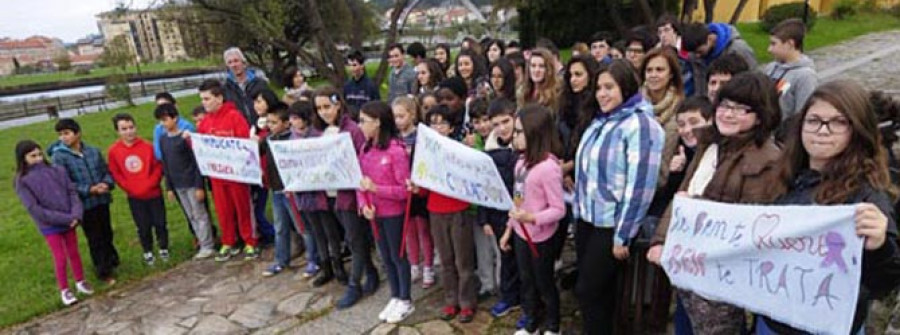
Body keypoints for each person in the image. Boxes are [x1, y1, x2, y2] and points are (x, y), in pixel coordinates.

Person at [755, 80, 900, 335]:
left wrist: (880, 246)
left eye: (838, 122)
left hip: (827, 327)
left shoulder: (868, 195)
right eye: (813, 121)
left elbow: (884, 283)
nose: (822, 130)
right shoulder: (784, 175)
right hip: (772, 321)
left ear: (857, 129)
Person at [648, 72, 787, 334]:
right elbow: (683, 193)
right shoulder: (710, 144)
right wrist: (660, 239)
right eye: (724, 105)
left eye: (740, 109)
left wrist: (696, 205)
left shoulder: (768, 159)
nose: (728, 114)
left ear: (761, 114)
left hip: (724, 273)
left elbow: (752, 222)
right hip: (690, 262)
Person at [573, 60, 665, 335]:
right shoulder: (601, 121)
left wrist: (623, 234)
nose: (602, 94)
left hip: (612, 225)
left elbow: (640, 187)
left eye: (609, 87)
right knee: (602, 293)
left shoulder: (641, 125)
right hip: (587, 219)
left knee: (587, 290)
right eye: (599, 87)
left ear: (625, 87)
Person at [644, 96, 713, 335]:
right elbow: (673, 196)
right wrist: (675, 172)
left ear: (710, 120)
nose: (686, 130)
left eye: (694, 122)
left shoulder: (713, 156)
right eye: (681, 124)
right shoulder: (685, 153)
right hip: (683, 244)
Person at [500, 104, 566, 335]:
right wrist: (510, 229)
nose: (514, 137)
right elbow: (517, 200)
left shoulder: (548, 168)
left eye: (519, 132)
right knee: (526, 280)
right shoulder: (520, 164)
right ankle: (531, 320)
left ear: (534, 133)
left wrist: (532, 217)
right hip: (521, 235)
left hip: (541, 238)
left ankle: (553, 325)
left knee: (544, 282)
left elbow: (558, 209)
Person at [411, 105, 478, 323]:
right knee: (446, 260)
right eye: (433, 123)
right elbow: (422, 186)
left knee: (463, 261)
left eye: (443, 123)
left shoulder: (460, 150)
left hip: (459, 210)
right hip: (435, 210)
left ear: (451, 128)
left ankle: (467, 302)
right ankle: (451, 301)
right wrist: (415, 188)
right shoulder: (426, 154)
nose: (438, 127)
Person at [313, 86, 378, 308]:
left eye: (327, 107)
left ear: (337, 104)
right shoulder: (319, 131)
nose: (323, 112)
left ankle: (354, 285)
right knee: (351, 237)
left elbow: (363, 159)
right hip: (330, 194)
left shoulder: (351, 130)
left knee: (355, 239)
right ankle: (371, 273)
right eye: (319, 108)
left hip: (350, 195)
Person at [356, 101, 416, 323]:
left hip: (393, 213)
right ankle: (395, 294)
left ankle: (406, 298)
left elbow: (404, 190)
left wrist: (377, 189)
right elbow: (360, 182)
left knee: (398, 255)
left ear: (378, 122)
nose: (360, 125)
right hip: (375, 213)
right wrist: (364, 204)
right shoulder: (365, 148)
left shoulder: (396, 151)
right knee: (385, 257)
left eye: (364, 121)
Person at [15, 140, 94, 306]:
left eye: (39, 154)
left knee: (74, 251)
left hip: (69, 219)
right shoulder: (22, 181)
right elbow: (34, 208)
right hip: (50, 225)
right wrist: (65, 218)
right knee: (60, 256)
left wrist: (76, 215)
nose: (38, 158)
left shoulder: (57, 170)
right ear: (23, 159)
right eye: (32, 156)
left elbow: (71, 192)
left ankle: (80, 280)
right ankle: (64, 289)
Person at [194, 79, 260, 261]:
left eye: (207, 99)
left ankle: (250, 240)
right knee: (223, 210)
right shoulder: (205, 123)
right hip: (217, 176)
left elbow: (244, 144)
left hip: (237, 175)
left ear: (219, 98)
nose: (204, 103)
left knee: (243, 207)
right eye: (202, 99)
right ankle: (229, 240)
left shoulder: (234, 117)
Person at [50, 118, 120, 285]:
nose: (63, 137)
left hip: (102, 199)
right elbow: (65, 183)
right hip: (84, 204)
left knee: (106, 231)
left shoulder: (93, 151)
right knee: (94, 236)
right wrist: (89, 189)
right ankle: (103, 271)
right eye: (60, 134)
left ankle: (112, 259)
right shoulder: (59, 157)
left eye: (66, 133)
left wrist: (106, 184)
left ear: (77, 133)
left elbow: (106, 170)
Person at [155, 104, 216, 259]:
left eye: (166, 119)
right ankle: (202, 242)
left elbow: (196, 162)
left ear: (175, 118)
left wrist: (199, 185)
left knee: (200, 213)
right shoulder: (163, 140)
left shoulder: (186, 138)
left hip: (191, 182)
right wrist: (169, 187)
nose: (163, 123)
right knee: (191, 215)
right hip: (177, 184)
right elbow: (166, 164)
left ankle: (208, 244)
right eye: (160, 120)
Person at [480, 98, 522, 319]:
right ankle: (509, 297)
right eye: (496, 124)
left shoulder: (523, 146)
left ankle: (528, 300)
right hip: (497, 215)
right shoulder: (489, 150)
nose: (502, 128)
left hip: (522, 214)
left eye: (506, 121)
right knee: (506, 256)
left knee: (524, 260)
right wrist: (484, 218)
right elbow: (484, 186)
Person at [107, 113, 168, 265]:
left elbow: (158, 167)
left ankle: (164, 247)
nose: (129, 132)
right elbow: (116, 173)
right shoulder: (114, 151)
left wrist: (152, 183)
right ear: (118, 131)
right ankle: (147, 251)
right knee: (143, 225)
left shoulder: (148, 146)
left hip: (153, 192)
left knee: (160, 222)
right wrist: (129, 188)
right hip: (135, 196)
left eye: (131, 127)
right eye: (124, 129)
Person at [392, 97, 436, 289]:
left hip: (420, 190)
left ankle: (428, 265)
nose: (398, 120)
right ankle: (414, 264)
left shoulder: (421, 136)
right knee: (409, 229)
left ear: (412, 114)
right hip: (403, 189)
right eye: (395, 117)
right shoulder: (394, 139)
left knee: (423, 229)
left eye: (402, 116)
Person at [260, 102, 304, 277]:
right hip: (276, 189)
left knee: (302, 226)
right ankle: (281, 260)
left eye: (274, 122)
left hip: (291, 190)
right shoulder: (269, 139)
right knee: (280, 226)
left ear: (286, 123)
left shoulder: (291, 140)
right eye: (268, 122)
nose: (270, 126)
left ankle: (314, 259)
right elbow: (254, 149)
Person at [641, 47, 685, 189]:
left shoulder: (682, 107)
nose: (653, 75)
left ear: (671, 74)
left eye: (659, 70)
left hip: (668, 184)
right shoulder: (634, 106)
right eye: (649, 70)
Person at [764, 18, 818, 123]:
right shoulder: (771, 68)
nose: (769, 49)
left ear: (789, 44)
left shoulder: (806, 76)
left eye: (774, 44)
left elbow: (803, 114)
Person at [222, 47, 268, 127]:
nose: (234, 65)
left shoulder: (260, 83)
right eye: (230, 62)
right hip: (240, 130)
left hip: (262, 126)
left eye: (236, 61)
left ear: (244, 63)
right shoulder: (225, 88)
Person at [682, 22, 758, 70]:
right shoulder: (697, 56)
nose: (697, 56)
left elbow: (753, 75)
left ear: (710, 38)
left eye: (699, 52)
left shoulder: (739, 50)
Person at [152, 92, 195, 161]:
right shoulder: (158, 128)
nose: (162, 110)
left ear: (175, 106)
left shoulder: (187, 127)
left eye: (166, 106)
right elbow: (158, 153)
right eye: (159, 107)